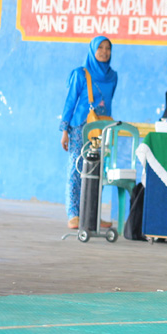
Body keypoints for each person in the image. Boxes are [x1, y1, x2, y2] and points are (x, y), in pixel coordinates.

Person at [59, 36, 117, 229]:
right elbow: (70, 102)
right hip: (79, 128)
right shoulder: (80, 73)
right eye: (100, 47)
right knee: (77, 168)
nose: (104, 51)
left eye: (108, 48)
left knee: (97, 170)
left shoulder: (112, 76)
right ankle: (74, 214)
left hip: (101, 128)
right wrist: (64, 130)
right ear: (92, 50)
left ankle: (92, 214)